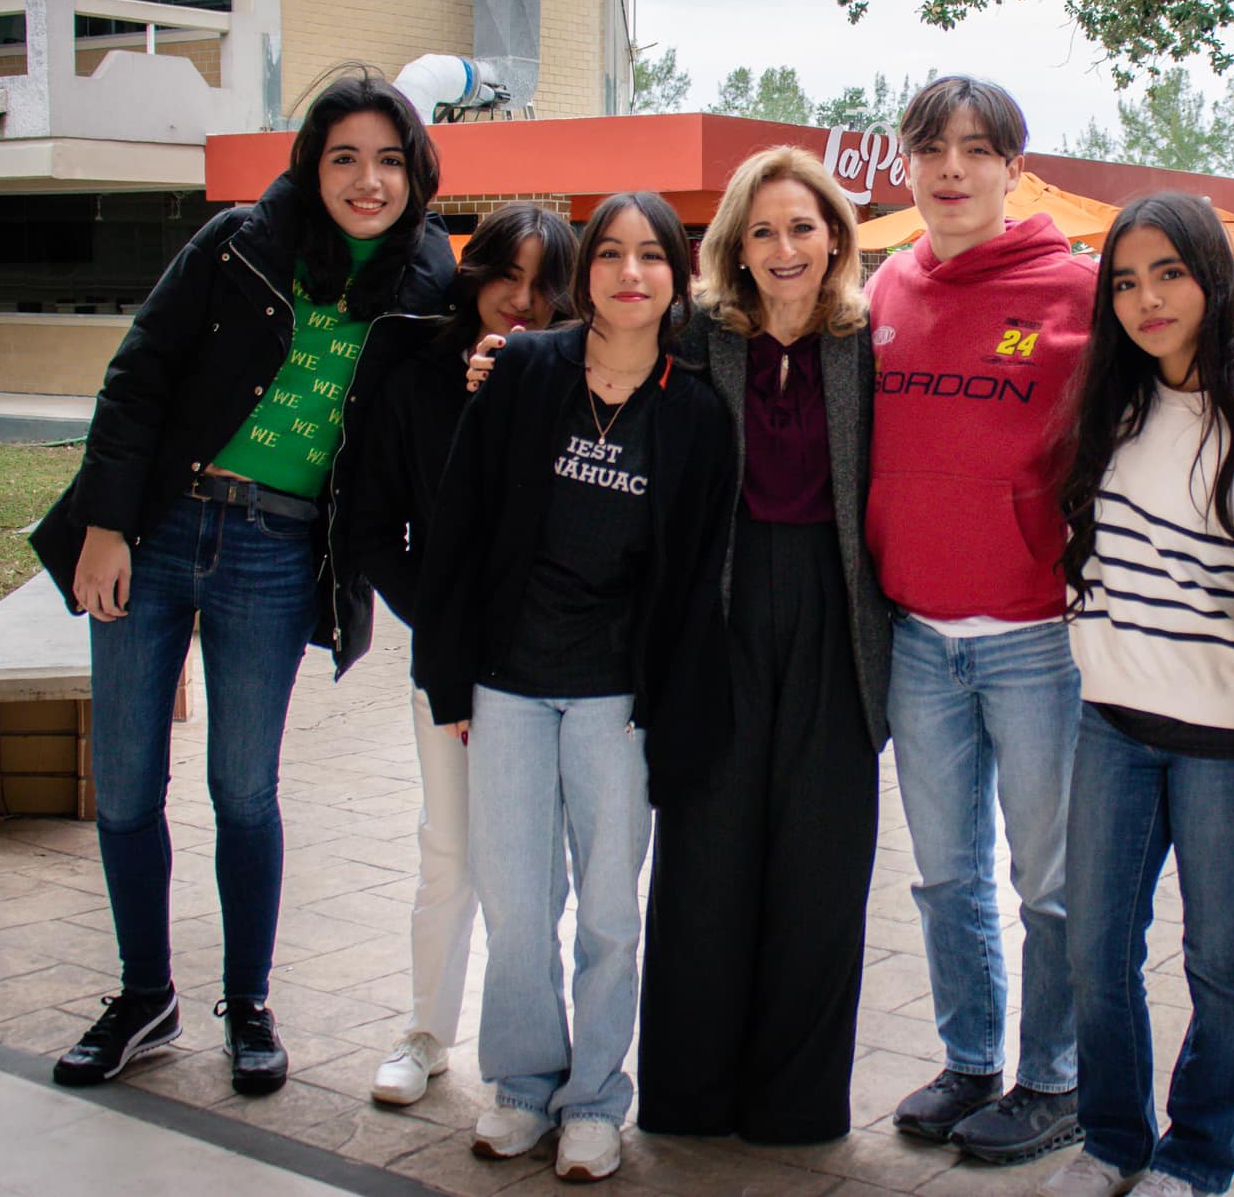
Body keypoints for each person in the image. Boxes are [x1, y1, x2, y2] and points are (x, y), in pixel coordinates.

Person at [29, 67, 453, 1095]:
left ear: (415, 172)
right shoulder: (236, 244)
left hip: (276, 549)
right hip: (159, 529)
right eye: (344, 157)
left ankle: (247, 1004)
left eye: (388, 160)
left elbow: (443, 409)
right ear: (311, 164)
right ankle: (143, 995)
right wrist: (107, 524)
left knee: (243, 790)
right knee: (127, 784)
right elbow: (138, 377)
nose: (366, 180)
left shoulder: (426, 281)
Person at [411, 193, 733, 1181]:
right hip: (507, 681)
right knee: (515, 901)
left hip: (614, 698)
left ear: (676, 278)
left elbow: (694, 583)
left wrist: (668, 708)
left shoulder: (696, 411)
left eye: (652, 256)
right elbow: (459, 522)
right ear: (584, 270)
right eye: (611, 255)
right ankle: (520, 1085)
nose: (630, 273)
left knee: (604, 910)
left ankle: (594, 1097)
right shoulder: (524, 371)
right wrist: (447, 676)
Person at [636, 148, 891, 1143]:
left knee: (820, 874)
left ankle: (795, 1106)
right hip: (721, 616)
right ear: (734, 247)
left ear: (834, 234)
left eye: (801, 226)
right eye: (762, 230)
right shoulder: (693, 337)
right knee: (705, 861)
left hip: (837, 616)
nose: (784, 248)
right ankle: (689, 1097)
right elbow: (589, 358)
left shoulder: (872, 343)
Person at [872, 76, 1097, 1164]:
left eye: (974, 149)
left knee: (1048, 880)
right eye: (929, 149)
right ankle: (970, 1059)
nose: (949, 170)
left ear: (1015, 165)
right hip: (916, 639)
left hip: (1035, 642)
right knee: (944, 873)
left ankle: (1053, 1076)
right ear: (902, 163)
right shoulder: (883, 290)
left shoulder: (1076, 291)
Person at [1041, 193, 1234, 1197]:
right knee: (1094, 952)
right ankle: (1110, 1142)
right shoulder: (1109, 402)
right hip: (1110, 726)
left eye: (1167, 273)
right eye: (1125, 281)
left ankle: (1196, 1156)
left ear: (1211, 279)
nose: (1146, 298)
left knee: (1218, 960)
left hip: (1225, 739)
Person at [345, 202, 576, 1106]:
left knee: (543, 869)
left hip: (559, 668)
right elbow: (373, 530)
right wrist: (440, 621)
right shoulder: (417, 384)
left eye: (543, 286)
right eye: (504, 276)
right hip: (452, 664)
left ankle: (543, 1053)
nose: (520, 300)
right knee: (450, 851)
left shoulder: (586, 383)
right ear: (471, 274)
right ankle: (424, 1033)